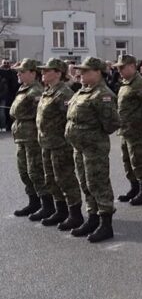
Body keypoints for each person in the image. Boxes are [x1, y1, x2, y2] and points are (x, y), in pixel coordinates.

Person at [64, 57, 120, 242]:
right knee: (85, 183)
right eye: (80, 70)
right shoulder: (82, 91)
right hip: (79, 147)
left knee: (98, 183)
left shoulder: (102, 95)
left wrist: (91, 134)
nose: (80, 74)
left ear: (97, 72)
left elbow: (111, 124)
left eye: (86, 71)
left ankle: (106, 225)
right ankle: (93, 218)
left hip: (94, 147)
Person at [37, 58, 83, 230]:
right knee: (51, 179)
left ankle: (75, 214)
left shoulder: (64, 93)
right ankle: (61, 210)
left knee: (65, 178)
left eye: (46, 70)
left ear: (58, 73)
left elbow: (71, 118)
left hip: (60, 144)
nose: (42, 73)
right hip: (47, 142)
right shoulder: (48, 91)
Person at [9, 59, 49, 220]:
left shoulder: (36, 92)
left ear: (33, 73)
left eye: (22, 71)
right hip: (21, 136)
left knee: (36, 172)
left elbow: (41, 115)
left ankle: (46, 205)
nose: (18, 73)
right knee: (24, 172)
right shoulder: (23, 88)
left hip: (31, 137)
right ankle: (34, 202)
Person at [114, 54, 142, 206]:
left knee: (139, 159)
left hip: (135, 128)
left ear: (132, 66)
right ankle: (134, 188)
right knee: (127, 160)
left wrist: (139, 119)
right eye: (118, 68)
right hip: (125, 128)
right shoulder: (125, 83)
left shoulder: (140, 82)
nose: (120, 71)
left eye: (122, 68)